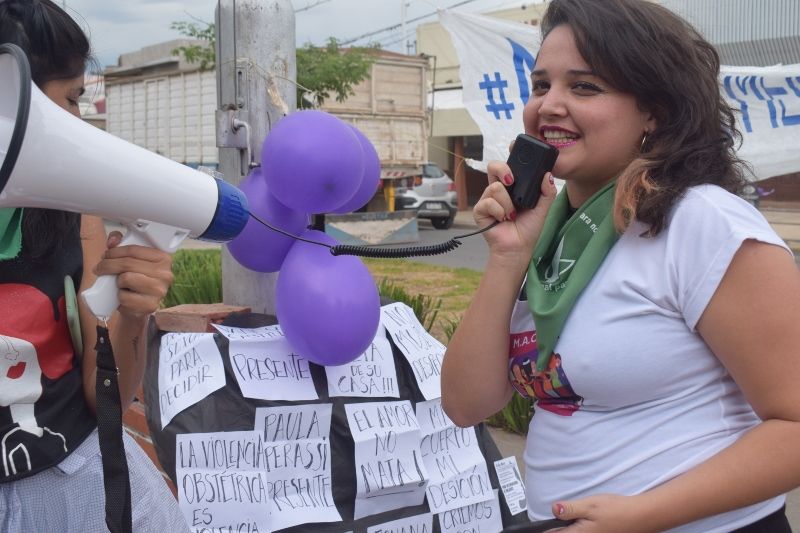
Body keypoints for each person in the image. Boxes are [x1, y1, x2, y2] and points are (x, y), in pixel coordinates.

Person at [441, 0, 800, 532]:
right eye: (540, 85)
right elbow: (466, 405)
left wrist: (639, 516)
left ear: (654, 110)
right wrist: (507, 257)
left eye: (584, 87)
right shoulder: (548, 228)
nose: (549, 106)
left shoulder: (704, 222)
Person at [0, 1, 189, 530]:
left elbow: (104, 395)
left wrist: (131, 316)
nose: (78, 120)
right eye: (72, 98)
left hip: (70, 480)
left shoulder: (75, 213)